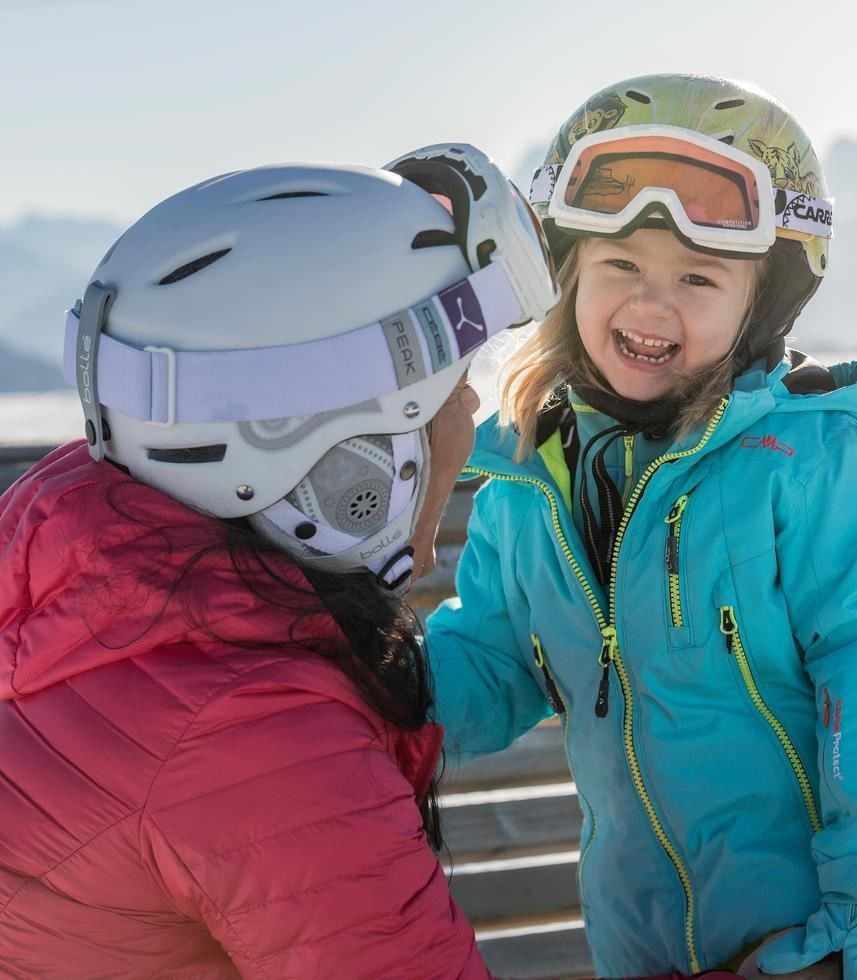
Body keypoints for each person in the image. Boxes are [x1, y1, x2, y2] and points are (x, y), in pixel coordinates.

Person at [425, 75, 857, 978]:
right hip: (640, 947)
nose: (650, 304)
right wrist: (373, 698)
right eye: (620, 266)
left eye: (698, 278)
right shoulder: (530, 477)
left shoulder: (805, 464)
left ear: (761, 305)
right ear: (566, 277)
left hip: (817, 949)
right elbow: (492, 659)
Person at [0, 151, 563, 977]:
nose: (471, 412)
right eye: (446, 393)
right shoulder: (257, 740)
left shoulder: (68, 572)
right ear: (347, 472)